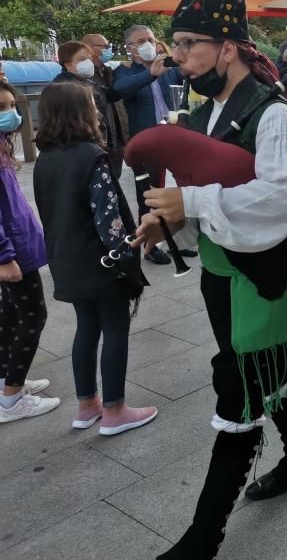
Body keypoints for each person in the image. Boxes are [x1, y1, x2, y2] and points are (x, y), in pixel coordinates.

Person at [132, 0, 287, 559]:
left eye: (189, 44)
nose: (178, 57)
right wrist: (168, 220)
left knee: (240, 387)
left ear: (229, 46)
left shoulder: (273, 116)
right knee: (270, 366)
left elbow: (284, 198)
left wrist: (192, 205)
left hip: (267, 272)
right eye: (176, 45)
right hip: (221, 271)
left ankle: (202, 537)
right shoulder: (209, 112)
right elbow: (195, 187)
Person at [33, 81, 156, 434]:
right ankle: (116, 410)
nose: (97, 110)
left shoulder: (45, 159)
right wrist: (125, 254)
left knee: (86, 327)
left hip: (66, 260)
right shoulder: (92, 157)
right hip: (100, 261)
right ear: (80, 112)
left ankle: (87, 405)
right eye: (91, 103)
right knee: (115, 328)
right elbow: (108, 218)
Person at [0, 82, 60, 424]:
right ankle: (12, 398)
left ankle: (7, 382)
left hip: (16, 247)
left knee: (9, 316)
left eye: (10, 105)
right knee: (32, 317)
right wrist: (4, 256)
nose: (9, 115)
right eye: (1, 107)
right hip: (11, 253)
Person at [111, 25, 182, 266]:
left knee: (183, 187)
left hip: (173, 135)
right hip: (146, 141)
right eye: (141, 41)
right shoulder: (125, 71)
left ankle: (177, 238)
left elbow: (184, 82)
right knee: (149, 194)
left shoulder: (167, 66)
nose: (148, 44)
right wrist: (150, 74)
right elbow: (120, 90)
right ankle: (151, 245)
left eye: (150, 39)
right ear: (130, 48)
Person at [81, 34, 128, 178]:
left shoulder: (111, 73)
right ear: (88, 48)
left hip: (118, 139)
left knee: (115, 177)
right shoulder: (83, 76)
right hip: (98, 139)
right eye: (104, 46)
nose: (109, 50)